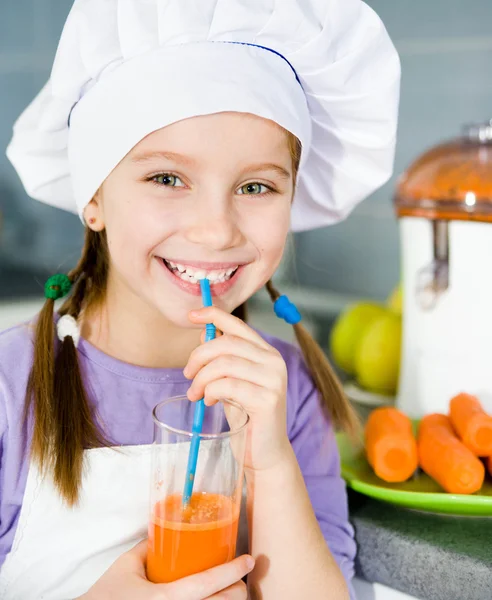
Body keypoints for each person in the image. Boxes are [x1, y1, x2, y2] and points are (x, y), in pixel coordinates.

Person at [2, 0, 400, 598]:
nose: (216, 230)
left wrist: (268, 459)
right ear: (95, 196)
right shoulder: (12, 386)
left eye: (256, 185)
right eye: (167, 178)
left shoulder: (285, 394)